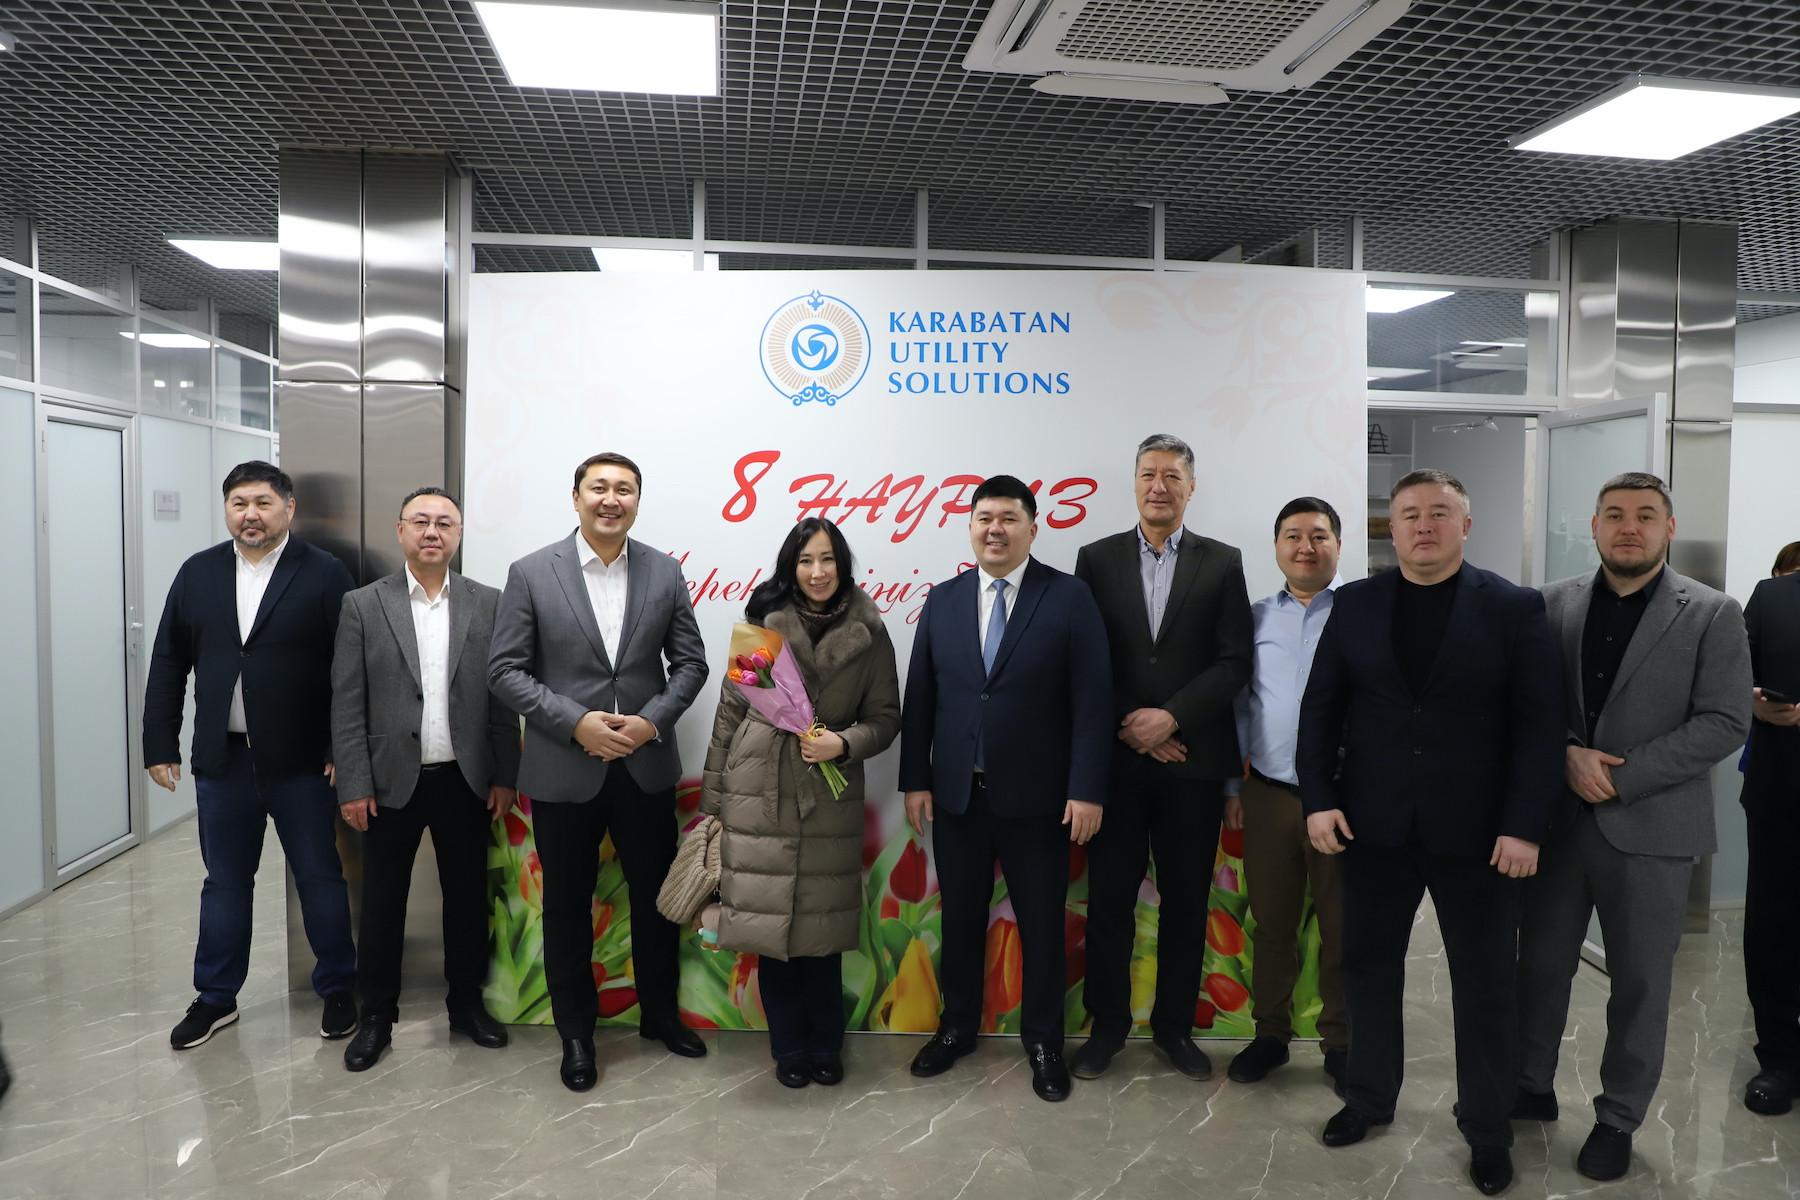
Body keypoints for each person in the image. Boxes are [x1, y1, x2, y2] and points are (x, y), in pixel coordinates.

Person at [1298, 468, 1562, 1196]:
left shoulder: (1512, 607)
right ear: (1393, 528)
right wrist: (1318, 799)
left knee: (1485, 984)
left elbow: (1540, 727)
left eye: (1439, 513)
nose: (1423, 525)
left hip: (1479, 835)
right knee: (1366, 970)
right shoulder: (1355, 604)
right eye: (1410, 514)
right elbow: (1321, 710)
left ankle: (1488, 1126)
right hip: (1372, 825)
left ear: (1464, 526)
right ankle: (1367, 1098)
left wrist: (1524, 826)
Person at [1515, 472, 1751, 1180]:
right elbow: (1524, 701)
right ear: (1594, 526)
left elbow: (1725, 721)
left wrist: (1621, 775)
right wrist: (1565, 753)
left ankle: (1618, 1117)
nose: (1629, 527)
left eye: (1645, 516)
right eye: (1614, 514)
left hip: (1654, 827)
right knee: (1539, 968)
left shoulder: (1711, 612)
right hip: (1558, 823)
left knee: (1641, 984)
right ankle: (1529, 1085)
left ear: (1668, 529)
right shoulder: (1549, 604)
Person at [488, 452, 708, 1092]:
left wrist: (649, 721)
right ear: (577, 496)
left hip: (644, 766)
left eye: (625, 489)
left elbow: (690, 664)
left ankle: (660, 1016)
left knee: (657, 900)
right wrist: (575, 721)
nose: (611, 499)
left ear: (637, 500)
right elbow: (504, 670)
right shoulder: (532, 572)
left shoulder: (665, 570)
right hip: (564, 768)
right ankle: (576, 1035)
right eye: (599, 487)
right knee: (565, 907)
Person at [899, 475, 1112, 1102]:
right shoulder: (943, 600)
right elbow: (922, 696)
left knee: (1042, 926)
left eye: (1009, 518)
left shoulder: (1068, 597)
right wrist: (916, 781)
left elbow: (1093, 700)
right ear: (970, 527)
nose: (995, 529)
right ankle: (956, 1028)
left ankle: (1044, 1042)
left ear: (1032, 528)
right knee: (961, 920)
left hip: (1040, 801)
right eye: (984, 518)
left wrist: (1087, 788)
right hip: (959, 797)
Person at [143, 461, 359, 1049]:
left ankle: (339, 987)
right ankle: (216, 998)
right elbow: (169, 660)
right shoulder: (199, 572)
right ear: (227, 511)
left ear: (288, 508)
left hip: (303, 762)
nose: (250, 515)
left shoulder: (323, 572)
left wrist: (341, 745)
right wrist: (159, 742)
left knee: (319, 877)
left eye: (262, 502)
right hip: (225, 762)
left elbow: (351, 667)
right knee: (225, 883)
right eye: (239, 504)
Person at [1069, 434, 1252, 1082]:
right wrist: (1133, 725)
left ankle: (1174, 1027)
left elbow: (1234, 661)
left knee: (1186, 901)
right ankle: (1107, 1027)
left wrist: (1171, 718)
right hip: (1116, 768)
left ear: (1190, 488)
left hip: (1191, 766)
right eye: (1149, 473)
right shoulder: (1096, 559)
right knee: (1110, 901)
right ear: (1134, 482)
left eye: (1172, 476)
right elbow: (1085, 656)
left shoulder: (1222, 562)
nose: (1159, 486)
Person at [700, 518, 901, 1088]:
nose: (817, 572)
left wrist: (844, 743)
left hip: (827, 796)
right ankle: (788, 1048)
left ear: (843, 566)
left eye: (827, 559)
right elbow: (729, 715)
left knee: (821, 936)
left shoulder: (869, 631)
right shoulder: (761, 623)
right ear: (791, 567)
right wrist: (714, 804)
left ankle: (825, 1047)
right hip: (757, 793)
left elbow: (887, 718)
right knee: (769, 936)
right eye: (806, 560)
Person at [330, 487, 523, 1072]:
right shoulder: (363, 605)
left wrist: (503, 774)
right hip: (388, 782)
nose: (432, 531)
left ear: (458, 535)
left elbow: (501, 696)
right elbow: (347, 701)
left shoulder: (488, 602)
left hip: (466, 779)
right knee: (382, 905)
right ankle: (376, 1018)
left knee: (466, 900)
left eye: (445, 523)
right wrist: (354, 783)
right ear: (401, 531)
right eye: (421, 521)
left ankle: (466, 1006)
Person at [1224, 497, 1348, 1088]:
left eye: (1318, 535)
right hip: (1269, 793)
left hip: (1344, 800)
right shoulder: (1253, 619)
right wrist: (1234, 786)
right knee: (1271, 924)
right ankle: (1270, 1034)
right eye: (1293, 535)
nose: (1306, 546)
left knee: (1342, 927)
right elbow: (1241, 707)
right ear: (1276, 546)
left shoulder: (1361, 613)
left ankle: (1342, 1043)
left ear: (1337, 545)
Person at [1741, 539, 1800, 1116]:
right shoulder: (1773, 598)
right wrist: (1754, 705)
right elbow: (1725, 677)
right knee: (1774, 927)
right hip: (1782, 790)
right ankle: (1780, 1056)